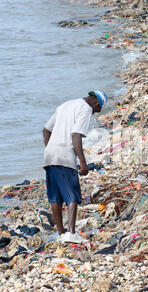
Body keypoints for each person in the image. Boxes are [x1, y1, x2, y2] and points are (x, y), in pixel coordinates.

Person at [42, 90, 107, 243]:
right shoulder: (85, 108)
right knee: (72, 195)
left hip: (49, 155)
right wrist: (82, 162)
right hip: (65, 155)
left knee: (55, 197)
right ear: (96, 103)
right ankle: (71, 233)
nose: (94, 114)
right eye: (97, 111)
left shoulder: (66, 105)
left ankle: (60, 234)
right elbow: (76, 135)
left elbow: (46, 130)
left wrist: (49, 147)